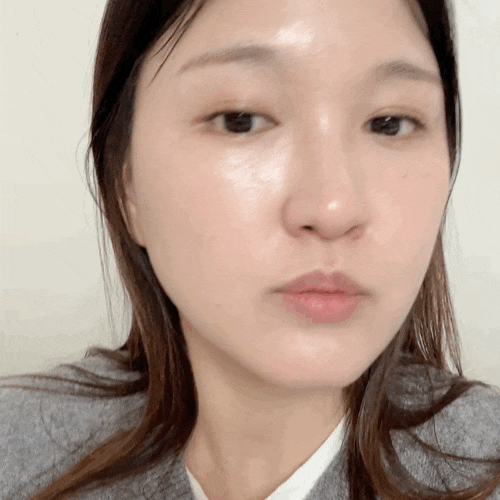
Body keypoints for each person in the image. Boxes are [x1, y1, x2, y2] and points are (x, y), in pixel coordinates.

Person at [1, 0, 499, 499]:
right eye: (240, 120)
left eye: (390, 122)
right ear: (126, 185)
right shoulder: (19, 455)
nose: (333, 208)